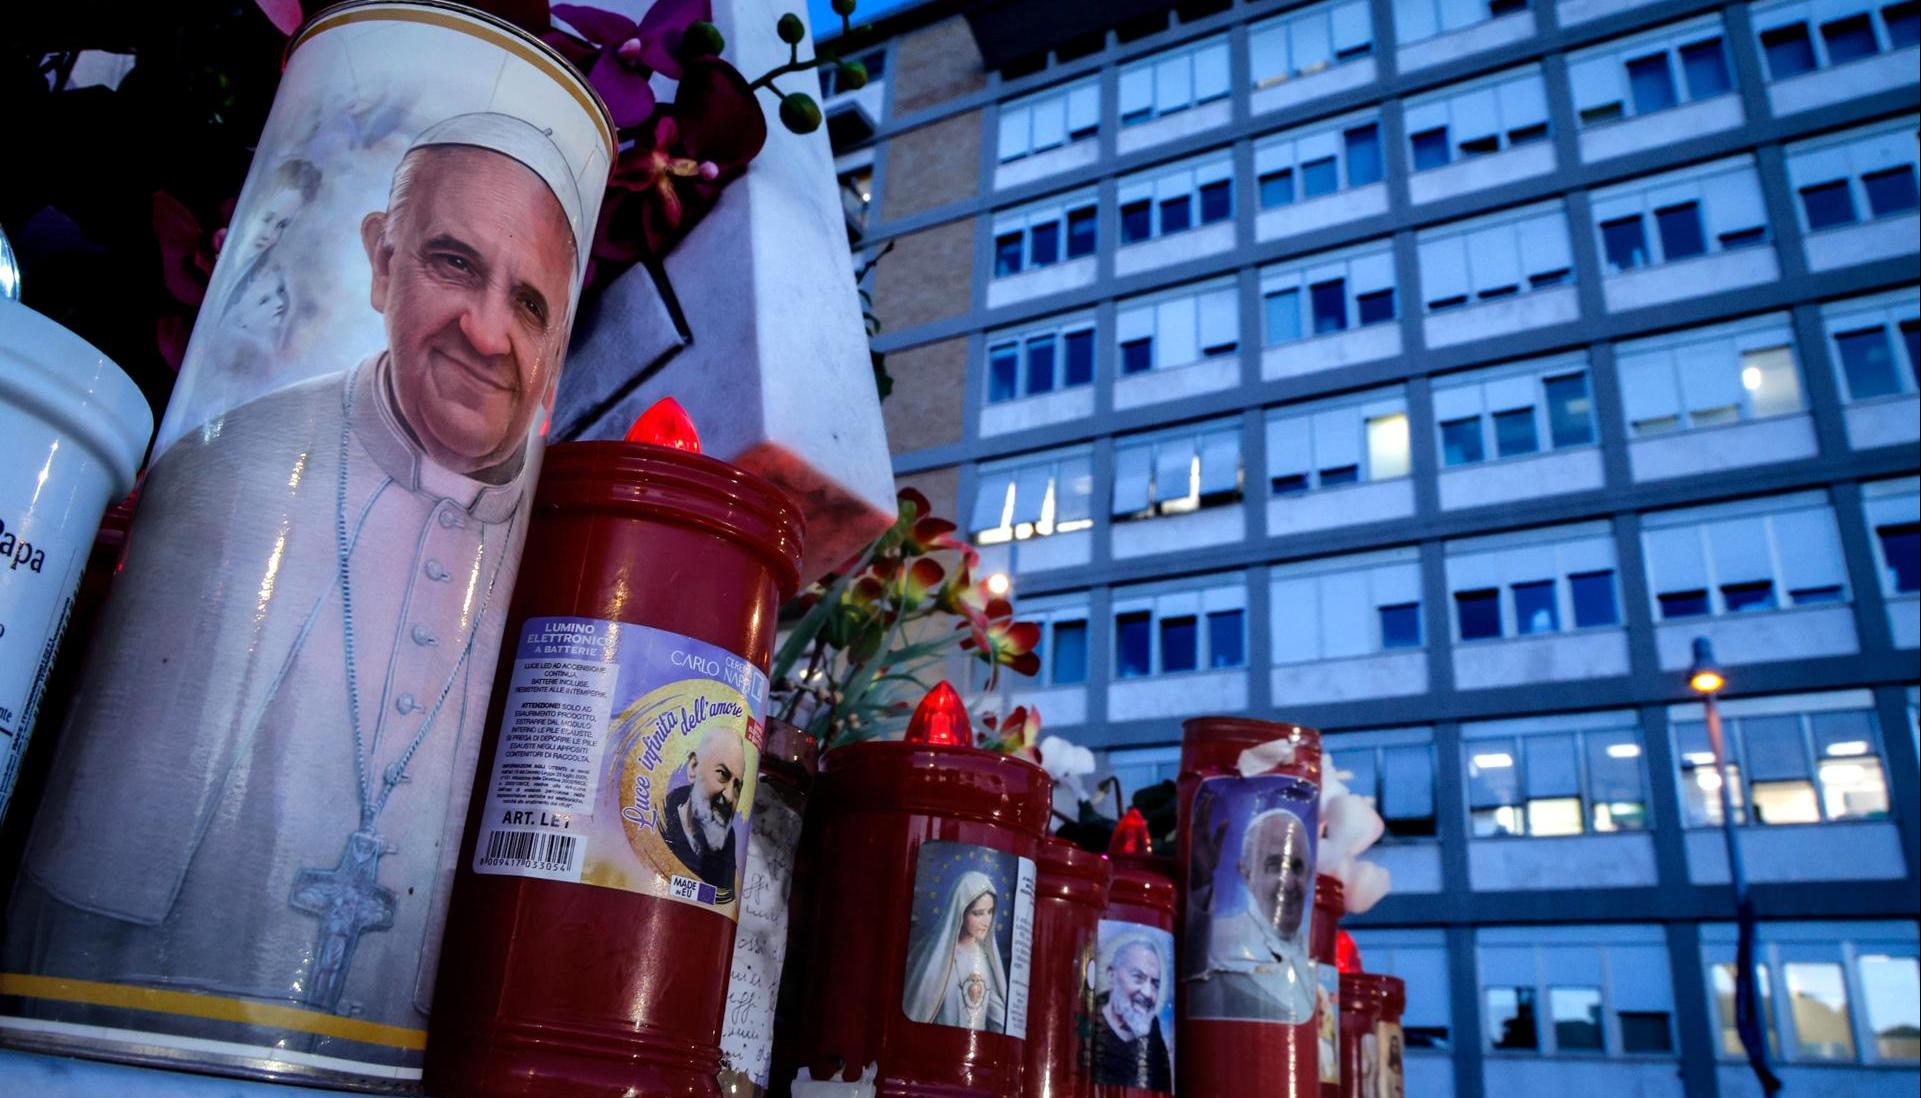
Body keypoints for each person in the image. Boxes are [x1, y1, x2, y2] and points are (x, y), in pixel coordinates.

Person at [3, 112, 585, 1060]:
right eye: (452, 263)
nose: (486, 332)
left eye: (528, 304)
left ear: (558, 341)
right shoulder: (220, 472)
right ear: (381, 259)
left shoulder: (565, 572)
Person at [1186, 806, 1318, 1023]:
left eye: (1297, 867)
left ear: (1309, 874)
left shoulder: (1313, 951)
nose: (1289, 883)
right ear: (1247, 873)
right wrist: (1201, 882)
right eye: (1275, 867)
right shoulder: (1218, 938)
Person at [902, 870, 1008, 1033]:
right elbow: (919, 1011)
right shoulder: (937, 958)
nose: (987, 921)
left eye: (990, 911)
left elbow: (998, 1016)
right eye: (978, 913)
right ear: (961, 912)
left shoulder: (985, 958)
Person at [659, 725, 746, 901]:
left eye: (737, 787)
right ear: (693, 767)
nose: (729, 796)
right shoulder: (656, 824)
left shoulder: (729, 844)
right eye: (722, 774)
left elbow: (719, 902)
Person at [1093, 936, 1173, 1090]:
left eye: (1155, 983)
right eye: (1138, 977)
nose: (1148, 992)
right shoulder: (1088, 1018)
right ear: (1111, 974)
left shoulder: (1153, 1029)